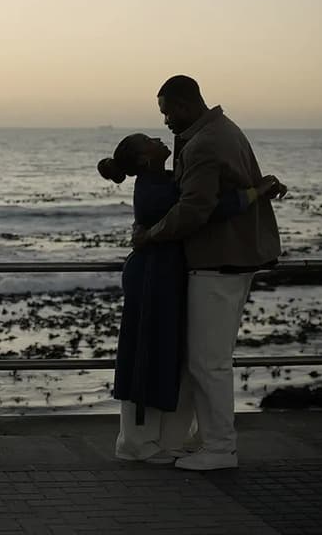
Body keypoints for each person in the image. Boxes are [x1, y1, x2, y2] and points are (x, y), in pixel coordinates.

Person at [98, 133, 284, 464]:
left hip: (164, 275)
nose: (158, 137)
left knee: (163, 355)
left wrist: (259, 187)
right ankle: (135, 443)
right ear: (144, 159)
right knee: (146, 355)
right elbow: (205, 208)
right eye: (149, 140)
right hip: (152, 277)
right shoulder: (154, 190)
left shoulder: (167, 180)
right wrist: (255, 192)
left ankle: (158, 439)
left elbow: (206, 193)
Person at [132, 75, 283, 471]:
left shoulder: (204, 143)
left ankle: (220, 448)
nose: (165, 121)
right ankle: (206, 440)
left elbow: (194, 209)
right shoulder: (223, 130)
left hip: (217, 262)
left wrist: (150, 234)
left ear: (184, 105)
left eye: (167, 112)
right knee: (211, 358)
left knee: (207, 363)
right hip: (235, 258)